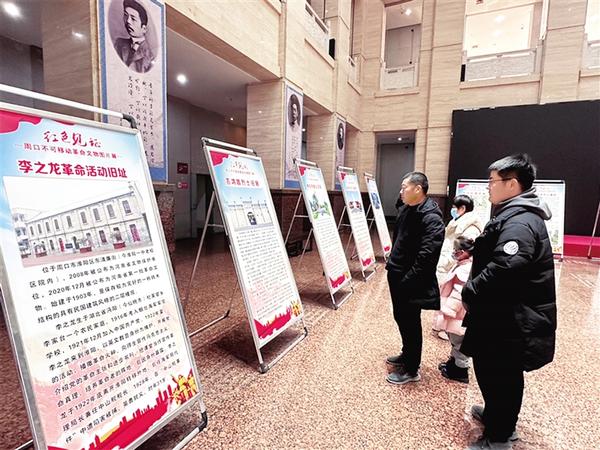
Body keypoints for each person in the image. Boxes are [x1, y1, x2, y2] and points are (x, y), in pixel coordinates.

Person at [460, 154, 557, 450]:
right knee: (491, 369)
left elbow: (507, 266)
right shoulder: (514, 213)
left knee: (501, 374)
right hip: (501, 313)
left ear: (512, 184)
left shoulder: (521, 221)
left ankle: (500, 437)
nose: (488, 186)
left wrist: (471, 290)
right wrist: (475, 249)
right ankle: (495, 415)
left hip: (510, 318)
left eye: (492, 181)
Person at [385, 172, 445, 385]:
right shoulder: (408, 208)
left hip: (410, 280)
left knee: (411, 322)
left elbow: (427, 256)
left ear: (418, 189)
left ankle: (411, 369)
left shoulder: (430, 217)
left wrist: (408, 280)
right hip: (397, 274)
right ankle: (406, 354)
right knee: (401, 318)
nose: (401, 191)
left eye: (405, 187)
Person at [433, 194, 483, 339]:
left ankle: (449, 329)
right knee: (445, 295)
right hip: (450, 264)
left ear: (463, 208)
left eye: (455, 207)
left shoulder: (470, 228)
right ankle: (441, 325)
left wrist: (452, 260)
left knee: (454, 299)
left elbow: (465, 251)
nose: (453, 210)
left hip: (458, 266)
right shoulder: (457, 222)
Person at [435, 236, 474, 384]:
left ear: (463, 252)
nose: (454, 252)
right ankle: (454, 362)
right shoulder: (462, 264)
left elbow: (459, 293)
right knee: (454, 338)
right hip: (455, 312)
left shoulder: (466, 269)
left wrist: (449, 310)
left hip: (457, 313)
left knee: (459, 341)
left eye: (456, 250)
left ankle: (460, 370)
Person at [113, 0, 155, 73]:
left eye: (133, 18)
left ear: (144, 29)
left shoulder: (150, 57)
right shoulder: (119, 43)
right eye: (126, 15)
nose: (128, 21)